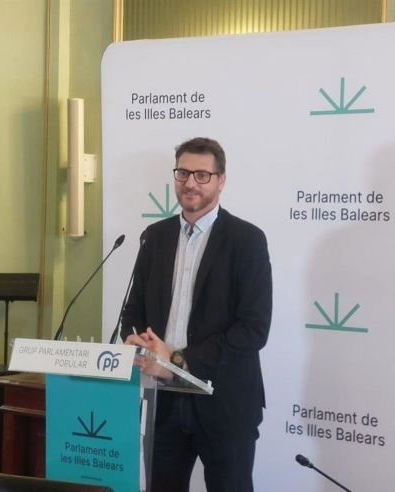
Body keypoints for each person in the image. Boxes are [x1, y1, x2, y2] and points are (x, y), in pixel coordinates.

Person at [121, 137, 272, 492]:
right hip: (164, 401)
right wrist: (134, 338)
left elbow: (253, 329)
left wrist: (176, 360)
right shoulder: (154, 237)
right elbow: (133, 309)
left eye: (202, 175)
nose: (190, 183)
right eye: (183, 173)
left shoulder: (247, 240)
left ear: (221, 181)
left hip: (225, 401)